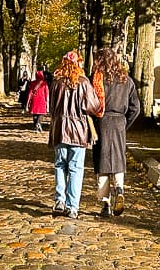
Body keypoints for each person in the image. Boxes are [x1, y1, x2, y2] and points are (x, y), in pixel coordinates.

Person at [48, 50, 101, 219]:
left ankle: (59, 200)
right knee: (76, 169)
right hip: (78, 130)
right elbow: (94, 106)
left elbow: (51, 107)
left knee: (60, 165)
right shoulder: (84, 83)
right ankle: (72, 206)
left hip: (60, 128)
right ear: (78, 63)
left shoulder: (56, 82)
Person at [90, 47, 141, 217]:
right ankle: (119, 189)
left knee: (102, 163)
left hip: (101, 122)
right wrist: (125, 124)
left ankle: (105, 204)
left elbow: (89, 104)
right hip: (119, 122)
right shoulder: (127, 80)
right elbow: (136, 108)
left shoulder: (96, 79)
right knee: (118, 159)